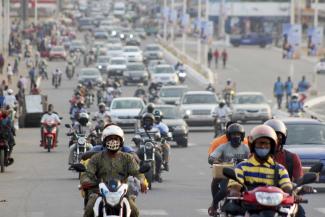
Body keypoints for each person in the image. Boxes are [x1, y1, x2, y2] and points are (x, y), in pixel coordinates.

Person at [80, 125, 148, 217]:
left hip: (122, 192)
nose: (113, 141)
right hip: (98, 191)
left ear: (121, 141)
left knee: (134, 211)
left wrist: (142, 182)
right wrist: (85, 181)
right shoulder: (96, 158)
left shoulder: (128, 158)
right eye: (110, 138)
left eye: (116, 138)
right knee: (89, 209)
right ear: (104, 140)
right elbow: (88, 173)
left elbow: (137, 172)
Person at [227, 125, 292, 199]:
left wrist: (292, 193)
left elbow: (287, 186)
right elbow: (235, 185)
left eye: (266, 144)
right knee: (231, 208)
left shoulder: (280, 169)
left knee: (297, 210)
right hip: (247, 206)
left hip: (274, 206)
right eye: (260, 143)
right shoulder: (241, 167)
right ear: (253, 145)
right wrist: (234, 191)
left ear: (272, 147)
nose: (263, 146)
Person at [264, 119, 310, 217]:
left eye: (277, 136)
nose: (274, 140)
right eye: (270, 137)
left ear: (283, 138)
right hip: (258, 198)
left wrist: (297, 192)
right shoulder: (253, 157)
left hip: (284, 197)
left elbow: (298, 182)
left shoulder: (291, 158)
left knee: (300, 213)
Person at [208, 123, 250, 216]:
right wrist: (215, 161)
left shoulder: (246, 148)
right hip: (226, 174)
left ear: (242, 136)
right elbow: (212, 157)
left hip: (242, 175)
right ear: (229, 136)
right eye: (233, 134)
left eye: (238, 134)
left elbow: (252, 158)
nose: (236, 136)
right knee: (223, 191)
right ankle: (214, 205)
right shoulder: (223, 147)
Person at [136, 112, 163, 182]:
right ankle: (135, 173)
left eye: (149, 120)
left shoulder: (156, 129)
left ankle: (157, 174)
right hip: (142, 148)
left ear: (152, 122)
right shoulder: (140, 130)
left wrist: (158, 137)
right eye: (146, 120)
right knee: (134, 157)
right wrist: (136, 139)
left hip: (153, 147)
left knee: (159, 158)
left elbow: (158, 136)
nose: (147, 122)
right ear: (143, 121)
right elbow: (137, 137)